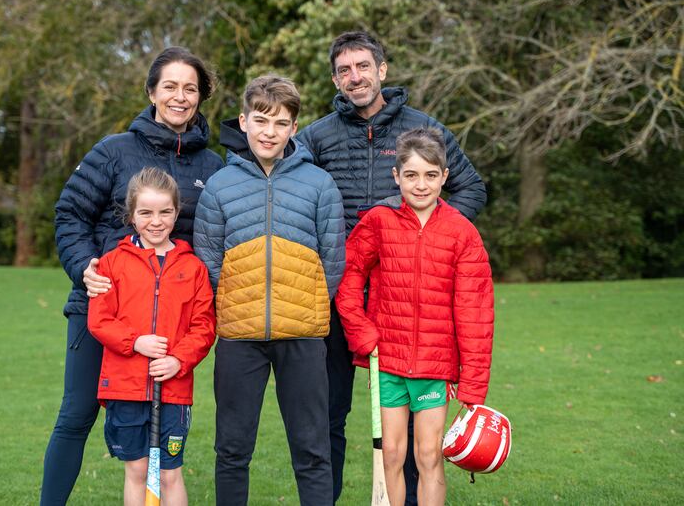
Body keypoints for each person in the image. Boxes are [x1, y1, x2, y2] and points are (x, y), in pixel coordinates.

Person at [295, 30, 487, 503]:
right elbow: (291, 197)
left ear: (382, 70)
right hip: (339, 295)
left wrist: (421, 241)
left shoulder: (425, 129)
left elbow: (472, 190)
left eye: (363, 66)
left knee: (418, 436)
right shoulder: (315, 137)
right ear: (335, 79)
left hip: (409, 301)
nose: (354, 76)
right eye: (344, 70)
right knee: (329, 414)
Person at [42, 47, 223, 505]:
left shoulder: (213, 167)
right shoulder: (113, 150)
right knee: (78, 413)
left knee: (166, 444)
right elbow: (70, 214)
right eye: (170, 87)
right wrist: (86, 268)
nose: (180, 97)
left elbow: (211, 245)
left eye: (190, 88)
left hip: (169, 329)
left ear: (201, 96)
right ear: (151, 92)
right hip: (104, 309)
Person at [193, 75, 345, 506]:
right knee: (232, 450)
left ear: (294, 128)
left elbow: (333, 260)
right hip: (240, 339)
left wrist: (303, 304)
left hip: (303, 336)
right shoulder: (221, 185)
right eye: (261, 121)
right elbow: (209, 260)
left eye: (280, 123)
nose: (269, 132)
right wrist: (243, 302)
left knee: (313, 452)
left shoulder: (319, 185)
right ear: (243, 122)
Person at [335, 127, 494, 506]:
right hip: (387, 359)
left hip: (433, 365)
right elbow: (348, 275)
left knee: (427, 455)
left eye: (429, 175)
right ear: (396, 176)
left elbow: (476, 313)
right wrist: (360, 330)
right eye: (410, 175)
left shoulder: (462, 233)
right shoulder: (379, 221)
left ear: (444, 176)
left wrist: (472, 386)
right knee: (391, 453)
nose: (420, 185)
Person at [88, 167, 216, 506]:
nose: (155, 221)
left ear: (177, 213)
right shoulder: (112, 264)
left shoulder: (194, 268)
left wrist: (179, 359)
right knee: (138, 470)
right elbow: (99, 320)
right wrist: (135, 342)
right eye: (145, 212)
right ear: (131, 215)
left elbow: (203, 326)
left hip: (173, 391)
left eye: (165, 212)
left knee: (170, 474)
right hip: (126, 387)